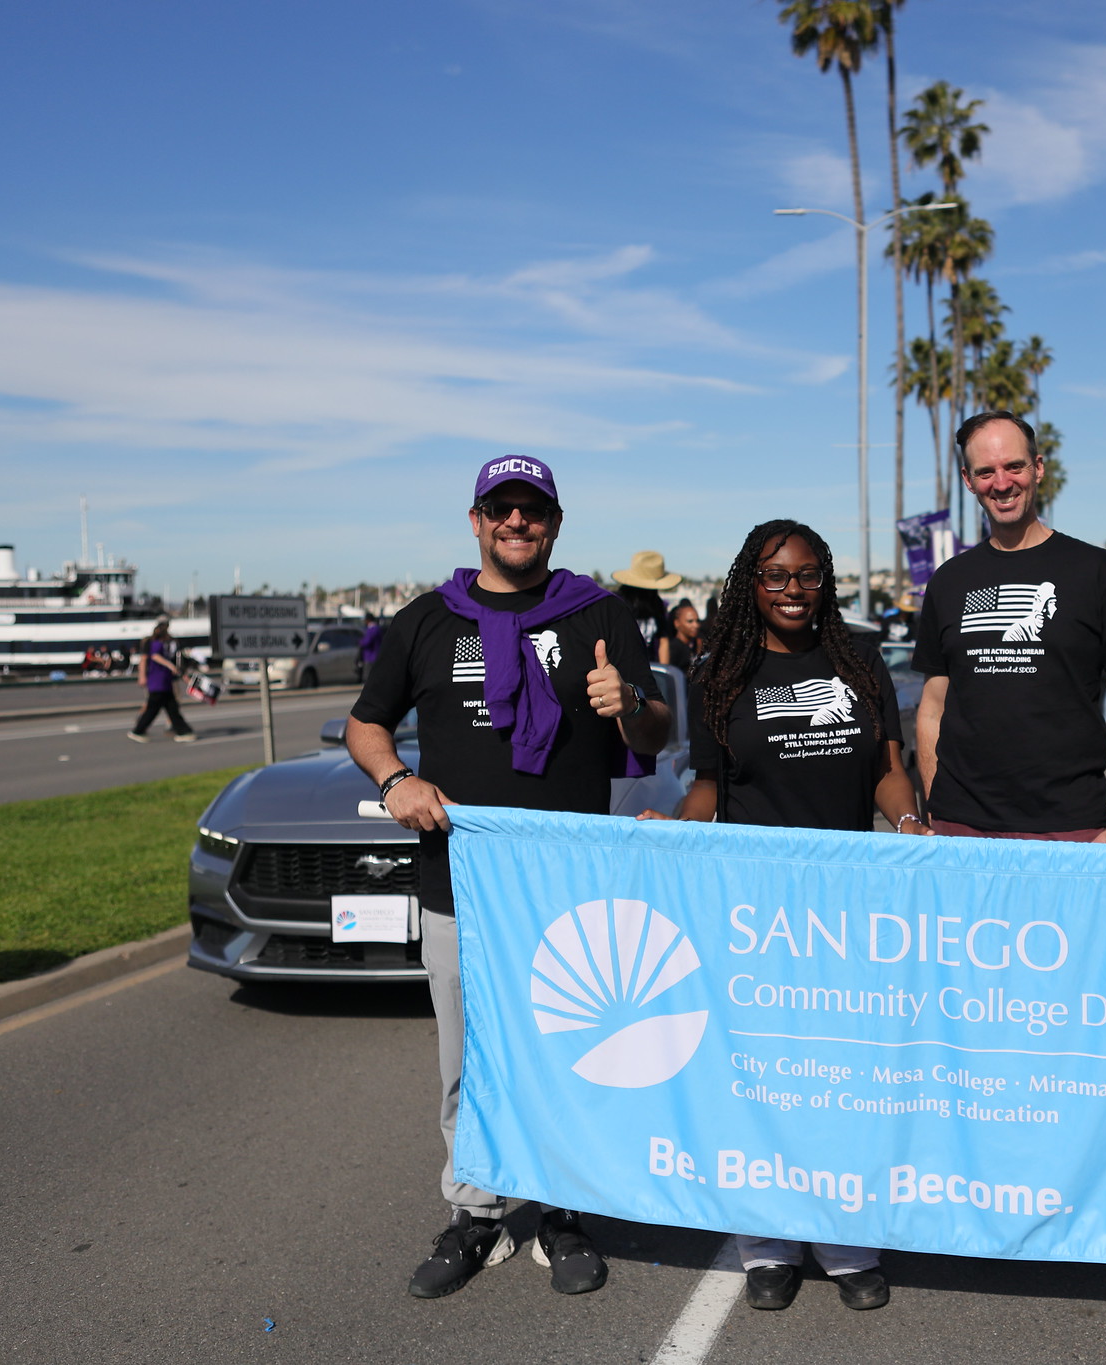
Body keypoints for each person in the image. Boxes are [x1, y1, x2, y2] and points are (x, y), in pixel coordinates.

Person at [346, 455, 671, 1300]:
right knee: (467, 1058)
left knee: (568, 1051)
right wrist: (395, 782)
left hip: (570, 885)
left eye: (533, 510)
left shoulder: (596, 612)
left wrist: (626, 701)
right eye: (503, 508)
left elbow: (658, 733)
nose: (517, 522)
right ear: (477, 518)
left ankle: (564, 1211)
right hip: (460, 880)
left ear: (554, 524)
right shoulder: (426, 619)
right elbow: (366, 723)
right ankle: (476, 1212)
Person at [643, 519, 924, 1312]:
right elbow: (708, 787)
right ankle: (765, 1241)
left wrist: (908, 824)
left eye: (806, 576)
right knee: (763, 1076)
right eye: (775, 577)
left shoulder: (859, 660)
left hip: (846, 906)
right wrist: (678, 826)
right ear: (750, 584)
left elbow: (888, 773)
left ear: (824, 580)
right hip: (752, 910)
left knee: (842, 1074)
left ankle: (844, 1236)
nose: (792, 590)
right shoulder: (718, 671)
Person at [912, 411, 1106, 843]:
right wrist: (935, 806)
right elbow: (932, 708)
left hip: (1072, 827)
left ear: (1037, 468)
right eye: (985, 472)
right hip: (959, 828)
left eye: (1013, 466)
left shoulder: (1095, 571)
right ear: (968, 479)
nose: (1001, 483)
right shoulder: (949, 580)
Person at [127, 617, 196, 743]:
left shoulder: (165, 643)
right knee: (156, 707)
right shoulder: (155, 644)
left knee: (170, 707)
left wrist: (181, 674)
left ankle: (182, 730)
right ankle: (139, 730)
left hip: (164, 680)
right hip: (158, 680)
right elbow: (153, 657)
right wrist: (170, 666)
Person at [613, 550, 681, 662]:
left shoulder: (657, 603)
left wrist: (663, 671)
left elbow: (663, 640)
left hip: (650, 669)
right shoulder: (617, 603)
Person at [665, 598, 703, 676]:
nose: (696, 625)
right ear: (677, 623)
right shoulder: (674, 648)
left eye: (697, 621)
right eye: (690, 621)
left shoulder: (693, 644)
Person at [357, 611, 383, 679]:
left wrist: (360, 642)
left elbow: (367, 641)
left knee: (369, 676)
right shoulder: (375, 628)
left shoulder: (373, 629)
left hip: (371, 656)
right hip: (372, 656)